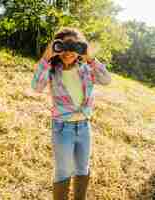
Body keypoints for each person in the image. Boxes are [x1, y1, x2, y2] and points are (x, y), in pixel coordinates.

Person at [30, 27, 112, 200]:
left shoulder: (86, 69)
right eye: (64, 46)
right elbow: (36, 87)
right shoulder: (53, 70)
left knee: (83, 168)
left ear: (80, 49)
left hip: (84, 126)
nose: (68, 52)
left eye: (74, 47)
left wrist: (90, 57)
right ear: (57, 47)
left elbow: (106, 79)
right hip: (62, 129)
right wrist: (47, 55)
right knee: (63, 171)